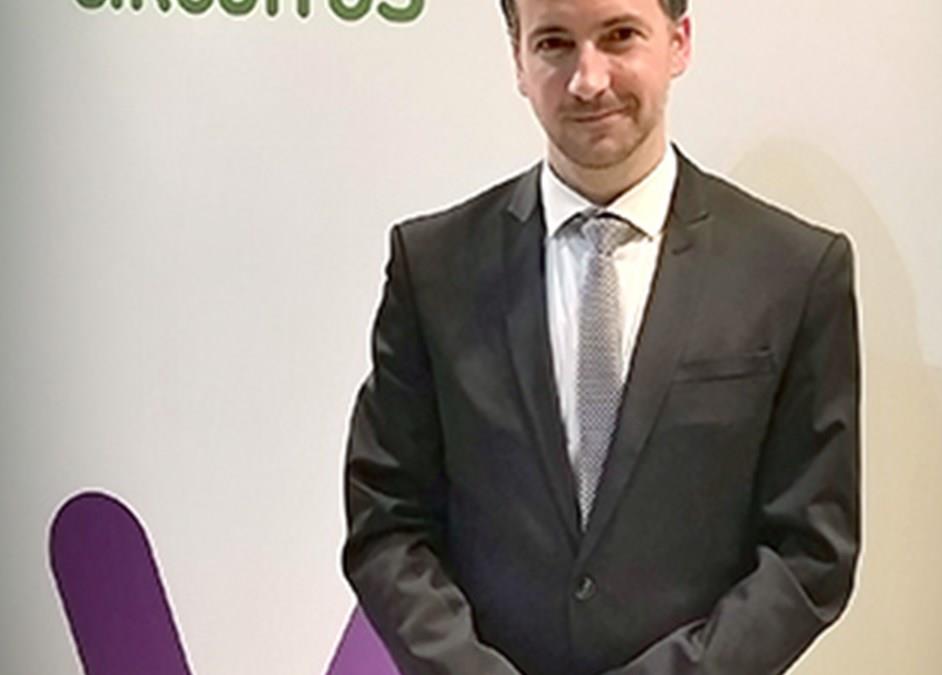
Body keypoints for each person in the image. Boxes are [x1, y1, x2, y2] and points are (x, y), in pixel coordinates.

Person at [341, 0, 861, 673]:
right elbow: (387, 522)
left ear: (679, 43)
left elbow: (811, 553)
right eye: (554, 43)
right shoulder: (434, 267)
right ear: (518, 61)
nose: (588, 80)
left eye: (619, 36)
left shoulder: (793, 272)